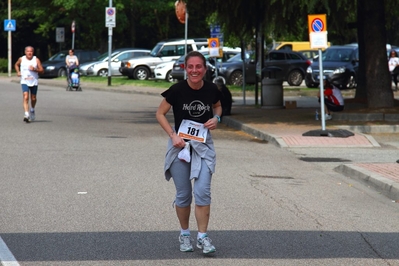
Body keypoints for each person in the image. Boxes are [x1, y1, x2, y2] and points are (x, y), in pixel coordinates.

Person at [156, 51, 222, 254]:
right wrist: (173, 135)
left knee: (202, 193)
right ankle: (185, 234)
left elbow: (218, 107)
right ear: (185, 68)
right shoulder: (176, 90)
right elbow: (160, 113)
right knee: (184, 195)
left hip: (203, 147)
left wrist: (217, 119)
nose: (194, 70)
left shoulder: (212, 89)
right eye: (190, 67)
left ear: (204, 69)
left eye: (198, 67)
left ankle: (202, 237)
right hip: (180, 147)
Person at [14, 46, 44, 123]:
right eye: (28, 51)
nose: (29, 53)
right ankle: (26, 114)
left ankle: (32, 109)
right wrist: (18, 72)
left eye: (31, 51)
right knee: (26, 96)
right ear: (25, 52)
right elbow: (16, 65)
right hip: (24, 81)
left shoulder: (36, 60)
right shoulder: (21, 59)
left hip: (34, 81)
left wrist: (35, 69)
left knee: (33, 98)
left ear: (33, 52)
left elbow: (42, 70)